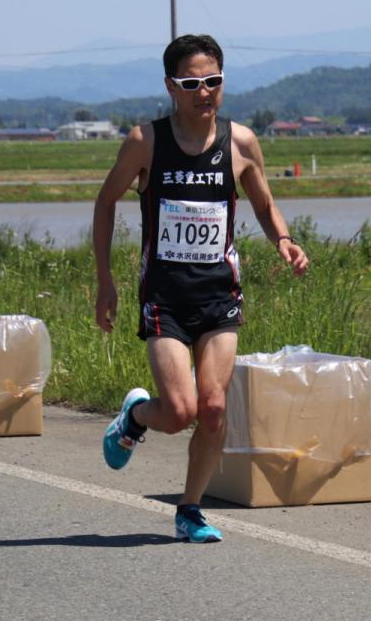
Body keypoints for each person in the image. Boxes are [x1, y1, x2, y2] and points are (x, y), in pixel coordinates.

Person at [93, 34, 309, 543]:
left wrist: (283, 239)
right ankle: (135, 416)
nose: (204, 92)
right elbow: (105, 203)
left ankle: (189, 510)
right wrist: (105, 281)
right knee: (179, 412)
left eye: (213, 81)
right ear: (171, 87)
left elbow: (263, 202)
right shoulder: (145, 142)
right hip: (164, 298)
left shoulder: (241, 142)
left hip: (219, 296)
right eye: (191, 84)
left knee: (212, 408)